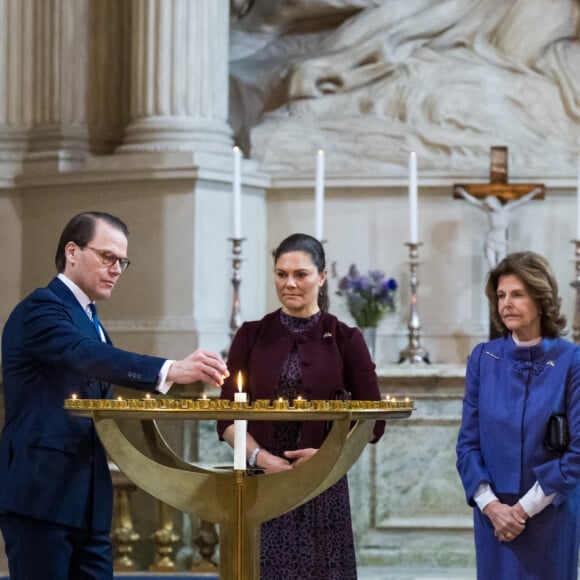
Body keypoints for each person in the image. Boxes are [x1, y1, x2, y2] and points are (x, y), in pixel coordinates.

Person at [0, 211, 229, 580]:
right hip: (40, 496)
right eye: (107, 257)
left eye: (123, 261)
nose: (117, 269)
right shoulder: (41, 309)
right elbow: (87, 357)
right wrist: (168, 369)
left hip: (87, 500)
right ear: (72, 252)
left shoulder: (90, 318)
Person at [217, 233, 385, 580]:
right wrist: (260, 459)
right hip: (261, 485)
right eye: (281, 274)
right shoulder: (250, 335)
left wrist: (326, 460)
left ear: (322, 277)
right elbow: (226, 418)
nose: (289, 283)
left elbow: (374, 420)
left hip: (322, 486)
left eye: (301, 274)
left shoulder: (346, 338)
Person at [456, 251, 580, 579]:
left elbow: (577, 452)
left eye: (517, 294)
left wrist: (524, 509)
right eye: (500, 295)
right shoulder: (484, 358)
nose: (506, 303)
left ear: (541, 300)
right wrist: (492, 507)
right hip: (493, 517)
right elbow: (467, 446)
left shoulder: (572, 361)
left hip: (550, 514)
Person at [455, 187, 541, 268]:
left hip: (501, 243)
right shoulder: (488, 211)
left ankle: (499, 282)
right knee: (492, 267)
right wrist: (463, 193)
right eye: (487, 205)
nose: (489, 207)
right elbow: (474, 202)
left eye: (490, 205)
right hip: (490, 241)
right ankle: (492, 282)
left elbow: (521, 201)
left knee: (501, 267)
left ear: (494, 203)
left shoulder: (505, 210)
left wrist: (533, 193)